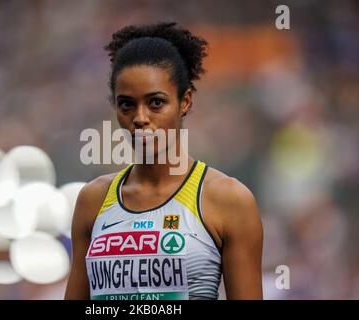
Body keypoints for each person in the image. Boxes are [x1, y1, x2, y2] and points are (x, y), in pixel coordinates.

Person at [65, 22, 263, 300]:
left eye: (156, 102)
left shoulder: (229, 200)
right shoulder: (93, 201)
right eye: (126, 104)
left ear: (185, 101)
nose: (140, 118)